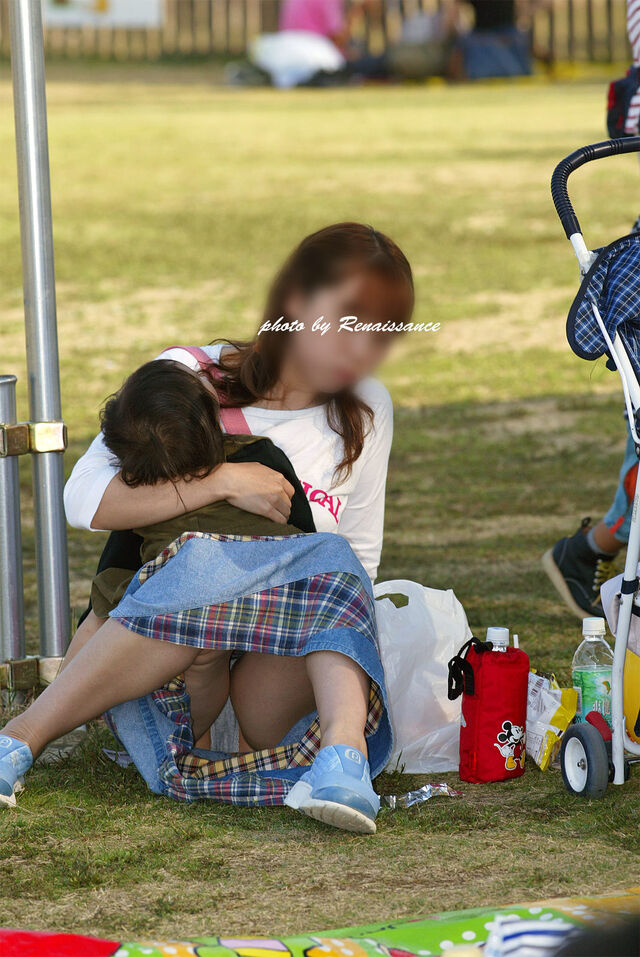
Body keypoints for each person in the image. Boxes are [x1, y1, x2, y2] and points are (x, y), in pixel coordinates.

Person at [3, 222, 413, 834]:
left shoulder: (367, 406)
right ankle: (17, 742)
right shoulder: (184, 378)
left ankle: (343, 758)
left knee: (333, 558)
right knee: (202, 560)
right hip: (165, 664)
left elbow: (361, 557)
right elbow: (83, 500)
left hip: (276, 673)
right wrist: (221, 481)